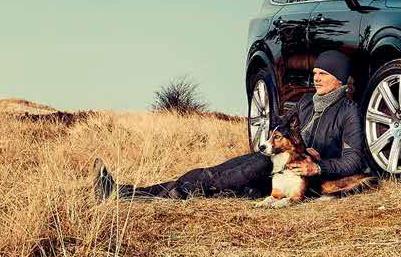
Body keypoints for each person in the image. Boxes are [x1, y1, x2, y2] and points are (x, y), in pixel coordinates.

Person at [93, 50, 364, 200]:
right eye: (315, 73)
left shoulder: (349, 111)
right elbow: (280, 127)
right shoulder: (305, 103)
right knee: (219, 174)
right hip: (277, 164)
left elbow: (354, 160)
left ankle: (148, 193)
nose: (316, 78)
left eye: (323, 74)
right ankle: (126, 192)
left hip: (302, 178)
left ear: (339, 79)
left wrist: (318, 166)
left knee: (240, 173)